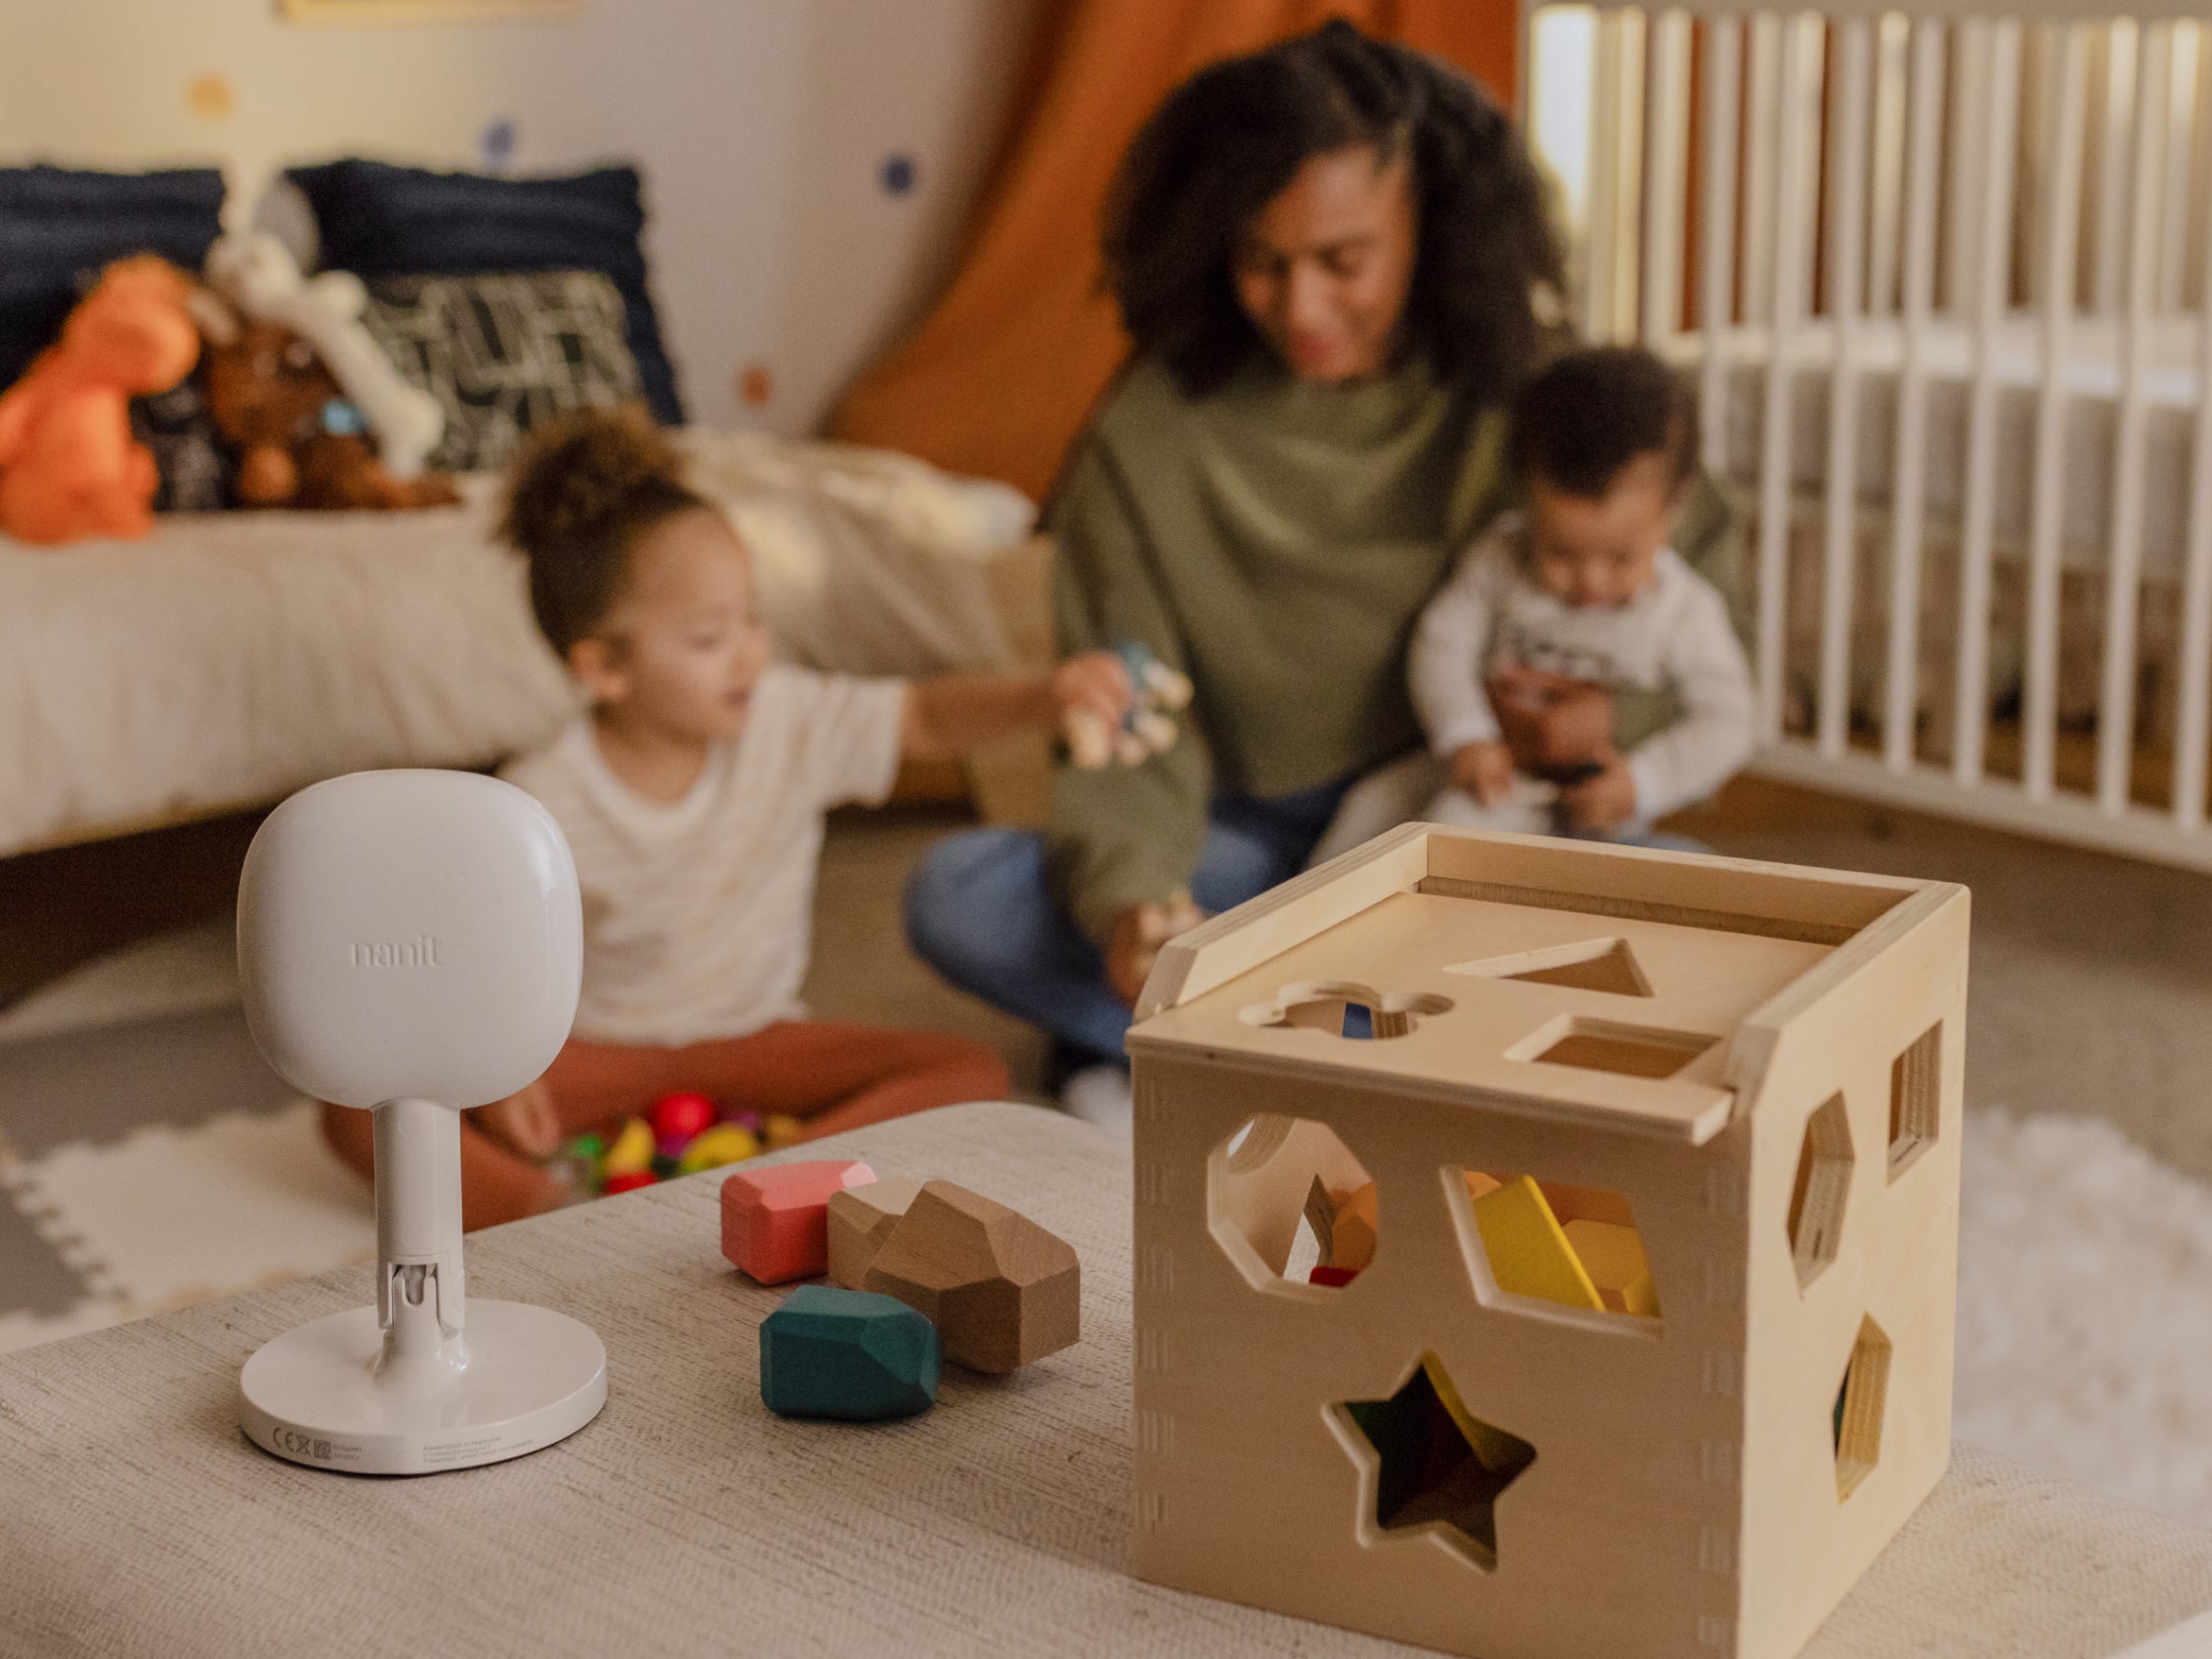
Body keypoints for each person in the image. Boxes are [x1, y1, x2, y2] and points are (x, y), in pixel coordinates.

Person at [903, 20, 1745, 1131]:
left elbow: (1680, 567)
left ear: (1427, 232)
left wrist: (1604, 728)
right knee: (958, 895)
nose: (1298, 310)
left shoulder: (1522, 399)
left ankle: (1238, 1052)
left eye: (1342, 261)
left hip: (1465, 822)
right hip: (1247, 843)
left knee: (1694, 900)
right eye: (1260, 260)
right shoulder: (1151, 434)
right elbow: (1127, 713)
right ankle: (1379, 1056)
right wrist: (1135, 903)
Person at [319, 407, 1132, 1227]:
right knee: (359, 1109)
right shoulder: (542, 798)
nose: (750, 652)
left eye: (752, 617)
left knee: (971, 1077)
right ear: (603, 667)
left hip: (757, 1047)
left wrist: (1041, 695)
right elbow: (466, 957)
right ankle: (563, 1216)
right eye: (710, 637)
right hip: (600, 1063)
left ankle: (754, 1189)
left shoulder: (785, 720)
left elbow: (922, 717)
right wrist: (505, 1069)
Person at [1310, 347, 1754, 857]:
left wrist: (1643, 781)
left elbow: (1729, 720)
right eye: (1561, 553)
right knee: (1369, 806)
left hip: (1587, 799)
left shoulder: (1683, 610)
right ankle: (1300, 921)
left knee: (1452, 834)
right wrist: (1464, 733)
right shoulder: (1500, 556)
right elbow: (1442, 642)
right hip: (1484, 756)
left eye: (1620, 558)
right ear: (1529, 496)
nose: (1590, 581)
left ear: (1674, 510)